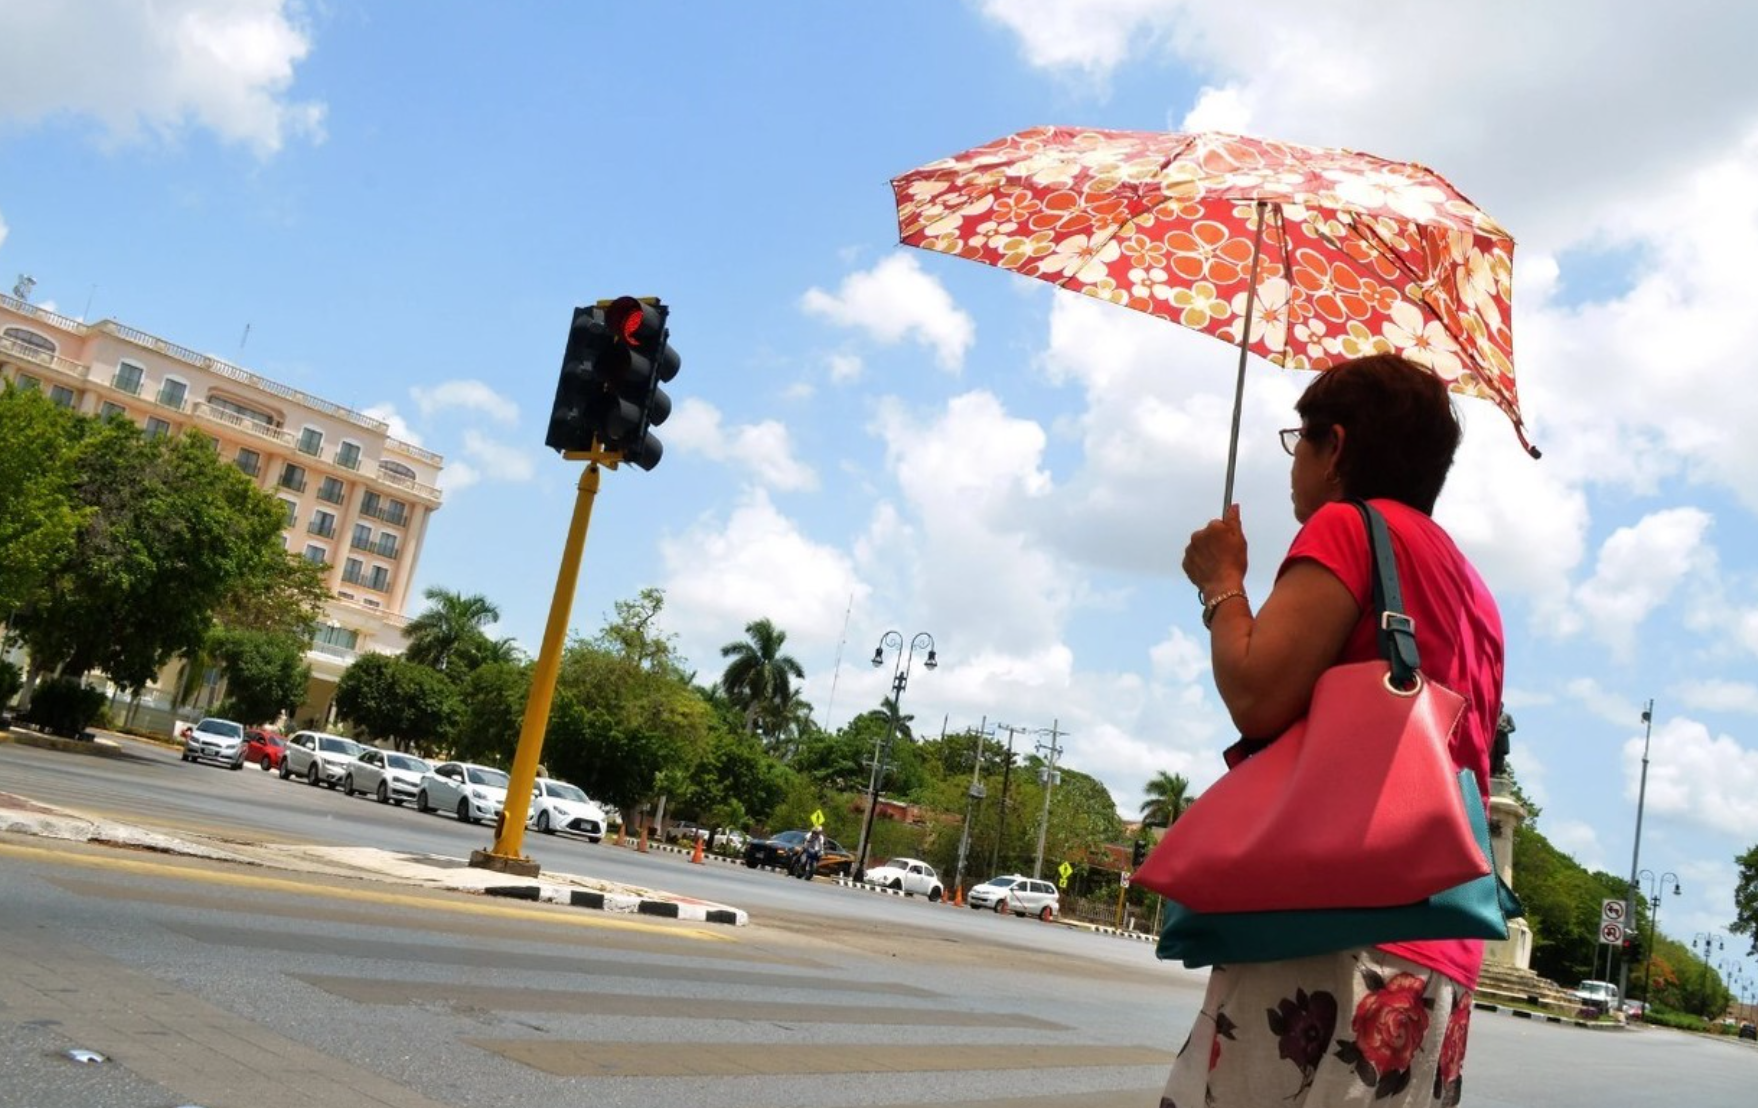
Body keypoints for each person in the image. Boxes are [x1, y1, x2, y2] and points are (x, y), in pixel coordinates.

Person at [1166, 353, 1504, 1107]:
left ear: (1337, 447)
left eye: (1301, 441)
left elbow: (1257, 693)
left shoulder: (1348, 529)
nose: (1297, 465)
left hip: (1329, 938)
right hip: (1440, 960)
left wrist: (1222, 584)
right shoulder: (1472, 588)